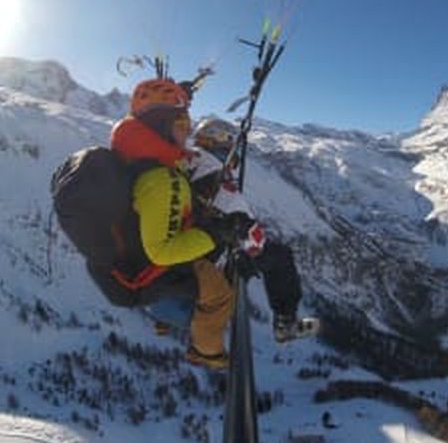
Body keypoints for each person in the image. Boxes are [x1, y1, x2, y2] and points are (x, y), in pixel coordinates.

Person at [109, 78, 246, 369]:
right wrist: (217, 232)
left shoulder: (142, 156)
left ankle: (163, 321)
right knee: (222, 295)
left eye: (188, 125)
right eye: (182, 126)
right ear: (161, 126)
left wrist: (182, 94)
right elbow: (162, 251)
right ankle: (206, 352)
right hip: (154, 270)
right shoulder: (164, 178)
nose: (188, 134)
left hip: (136, 260)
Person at [189, 117, 320, 343]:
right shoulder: (219, 181)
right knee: (279, 257)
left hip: (186, 245)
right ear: (223, 146)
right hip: (210, 258)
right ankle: (285, 323)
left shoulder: (187, 161)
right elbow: (254, 241)